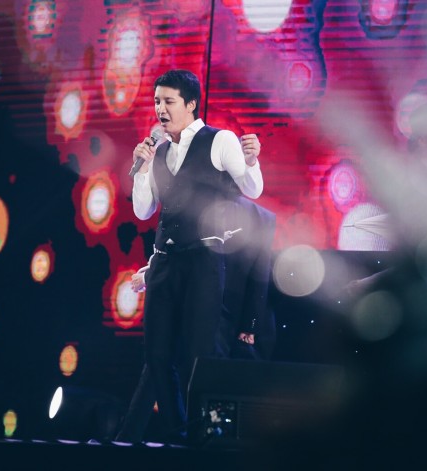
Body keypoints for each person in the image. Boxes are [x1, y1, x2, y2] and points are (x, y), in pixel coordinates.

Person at [131, 69, 264, 443]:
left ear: (190, 104)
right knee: (157, 357)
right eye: (157, 101)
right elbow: (143, 210)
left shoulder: (219, 140)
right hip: (164, 261)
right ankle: (179, 435)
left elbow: (252, 189)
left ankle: (205, 438)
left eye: (169, 101)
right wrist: (141, 169)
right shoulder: (158, 150)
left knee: (198, 355)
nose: (160, 109)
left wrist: (252, 161)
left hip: (203, 260)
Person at [116, 195, 276, 444]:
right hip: (186, 302)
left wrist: (249, 325)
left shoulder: (262, 218)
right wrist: (151, 273)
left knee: (203, 376)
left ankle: (202, 440)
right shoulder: (199, 202)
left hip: (223, 314)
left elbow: (260, 277)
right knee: (159, 366)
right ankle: (132, 437)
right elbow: (176, 255)